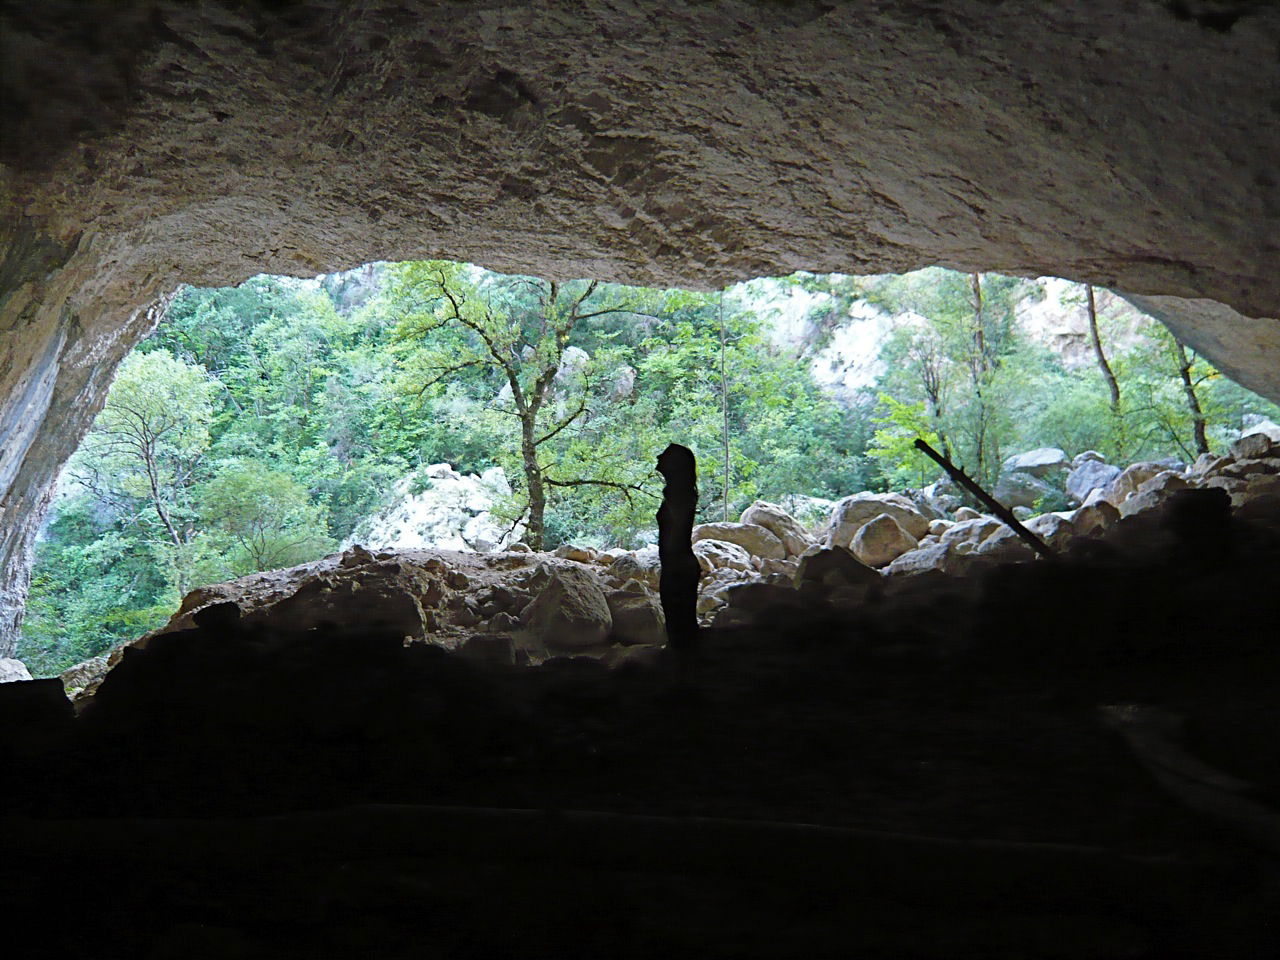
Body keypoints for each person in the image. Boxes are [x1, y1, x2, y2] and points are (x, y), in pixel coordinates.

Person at [656, 443, 700, 648]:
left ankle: (683, 674)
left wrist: (671, 568)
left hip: (677, 568)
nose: (658, 458)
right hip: (679, 566)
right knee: (683, 632)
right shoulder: (680, 494)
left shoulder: (677, 495)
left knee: (680, 634)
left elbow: (676, 532)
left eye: (664, 456)